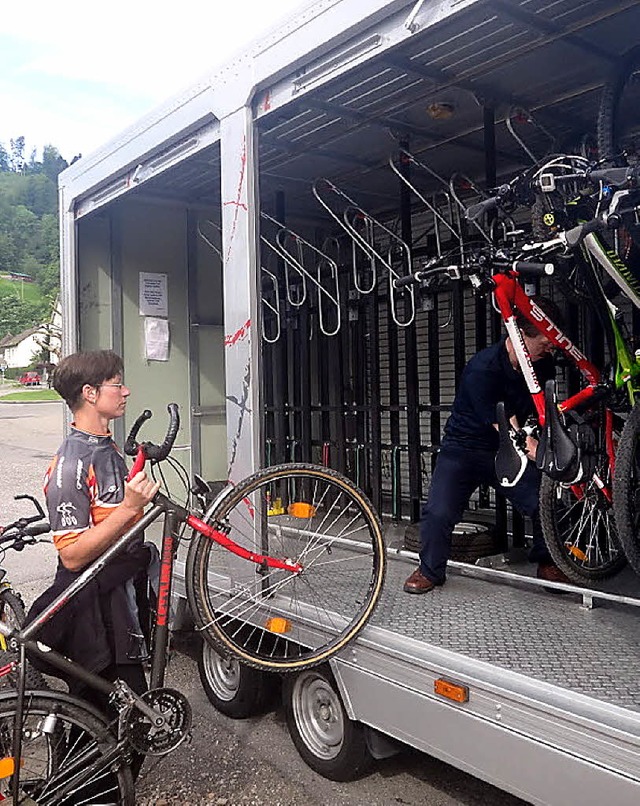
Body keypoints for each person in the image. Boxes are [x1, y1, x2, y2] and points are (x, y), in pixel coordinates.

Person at [404, 296, 570, 594]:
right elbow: (510, 429)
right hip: (465, 448)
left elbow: (543, 412)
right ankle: (430, 571)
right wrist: (537, 450)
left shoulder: (543, 366)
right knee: (439, 512)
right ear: (519, 337)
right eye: (544, 342)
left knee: (545, 501)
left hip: (504, 448)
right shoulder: (482, 368)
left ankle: (548, 563)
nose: (550, 348)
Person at [27, 349, 160, 718]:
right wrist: (130, 509)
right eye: (117, 385)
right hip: (93, 608)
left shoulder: (106, 448)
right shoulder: (70, 463)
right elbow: (71, 554)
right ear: (90, 393)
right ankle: (89, 777)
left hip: (119, 594)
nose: (126, 392)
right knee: (118, 716)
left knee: (108, 714)